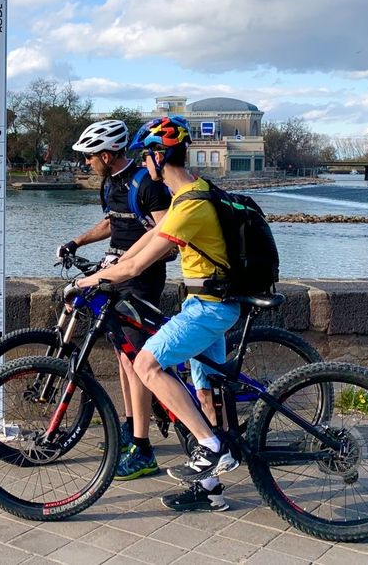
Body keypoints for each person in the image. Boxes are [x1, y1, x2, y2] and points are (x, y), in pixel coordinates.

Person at [77, 115, 239, 512]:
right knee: (203, 393)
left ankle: (210, 445)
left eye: (145, 155)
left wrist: (93, 281)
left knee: (147, 363)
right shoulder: (196, 192)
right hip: (206, 301)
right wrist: (106, 270)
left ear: (156, 157)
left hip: (209, 308)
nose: (142, 163)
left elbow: (136, 267)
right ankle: (211, 490)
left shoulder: (187, 205)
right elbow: (146, 240)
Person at [56, 119, 173, 481]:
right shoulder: (110, 184)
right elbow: (113, 222)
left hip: (141, 281)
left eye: (90, 156)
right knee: (124, 359)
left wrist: (127, 263)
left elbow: (166, 237)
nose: (86, 163)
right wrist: (77, 242)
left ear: (107, 155)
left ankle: (143, 447)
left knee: (138, 361)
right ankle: (129, 424)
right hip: (118, 274)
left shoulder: (148, 185)